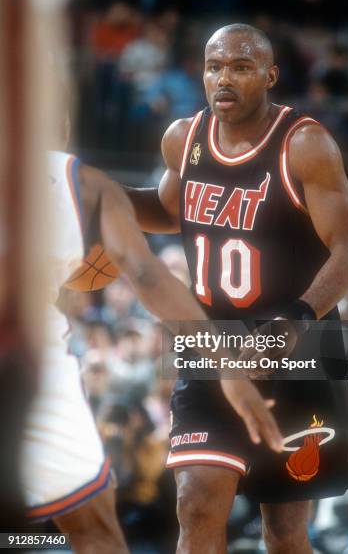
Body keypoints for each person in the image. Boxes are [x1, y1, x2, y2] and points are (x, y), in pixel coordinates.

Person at [126, 23, 348, 553]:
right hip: (210, 344)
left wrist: (297, 318)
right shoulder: (183, 138)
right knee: (196, 501)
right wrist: (100, 196)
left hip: (300, 346)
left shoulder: (304, 145)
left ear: (270, 75)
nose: (224, 79)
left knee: (283, 533)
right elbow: (168, 211)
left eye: (240, 67)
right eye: (214, 67)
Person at [21, 141, 282, 554]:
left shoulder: (90, 187)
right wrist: (228, 368)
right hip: (31, 354)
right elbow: (147, 276)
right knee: (90, 530)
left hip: (36, 353)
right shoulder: (86, 184)